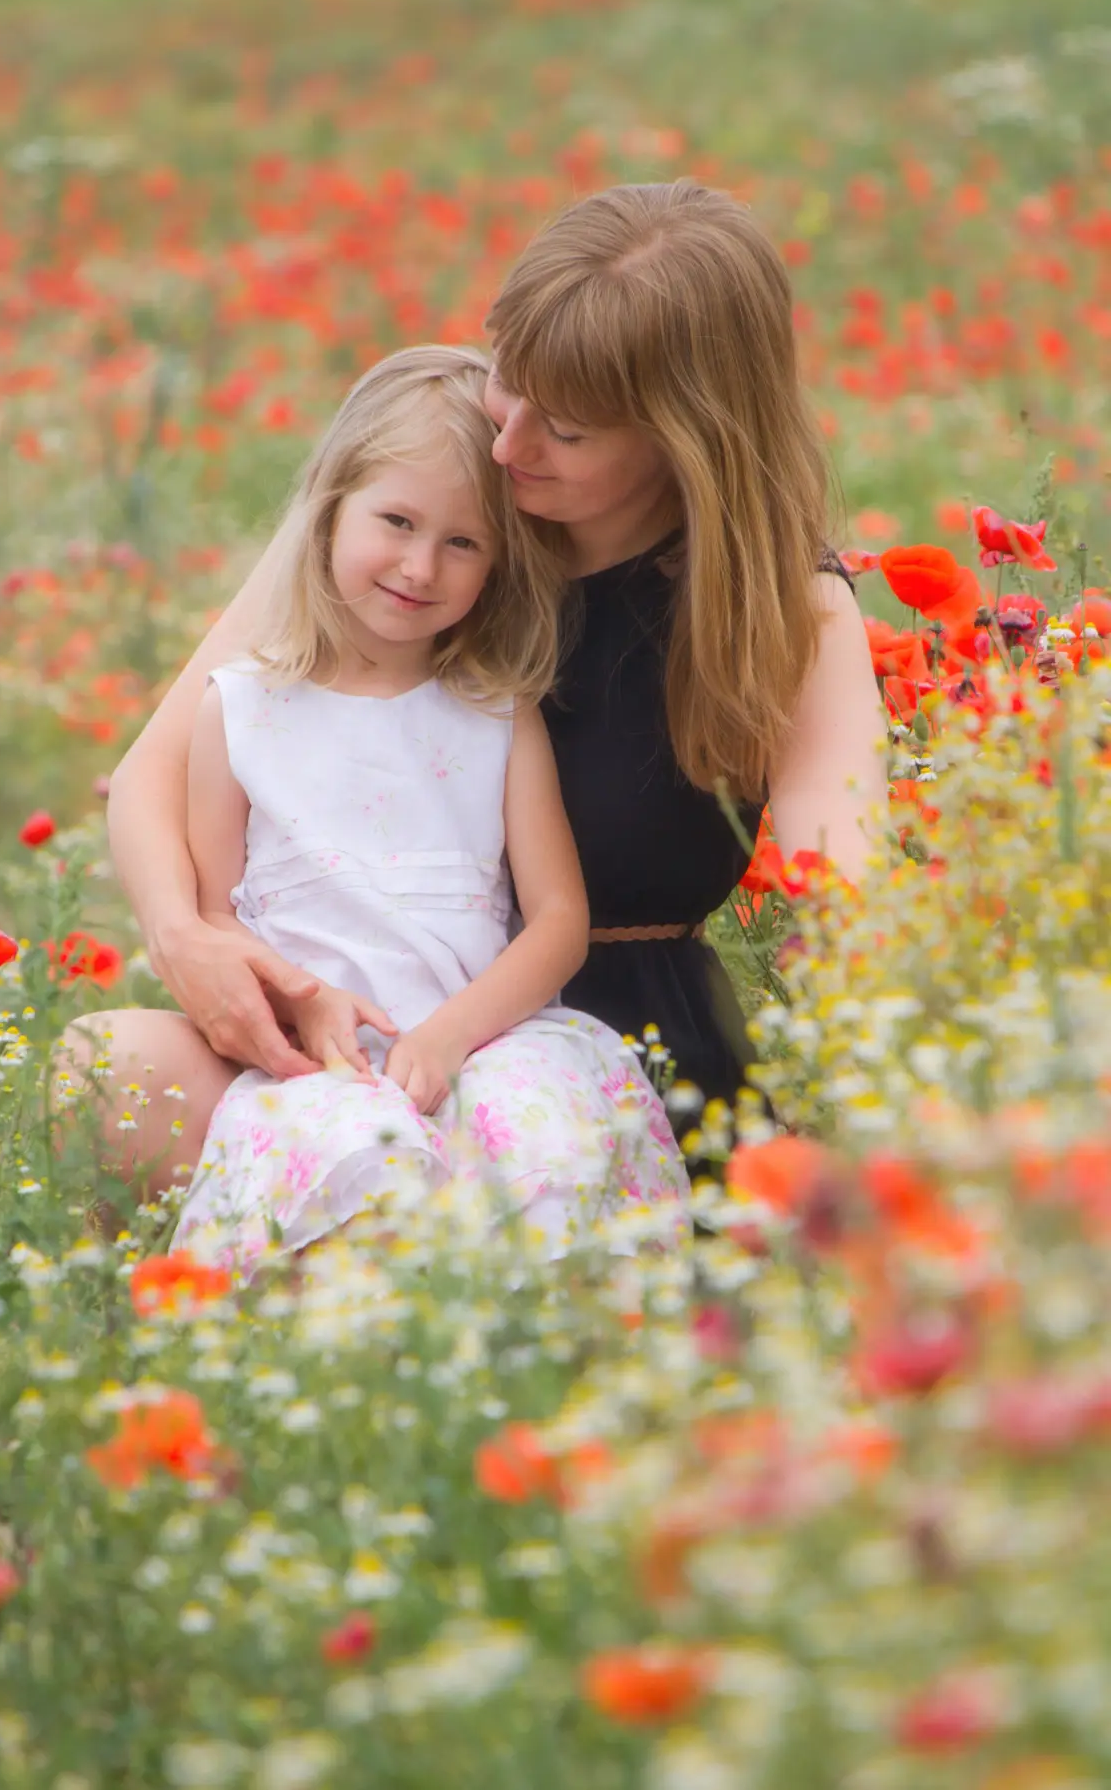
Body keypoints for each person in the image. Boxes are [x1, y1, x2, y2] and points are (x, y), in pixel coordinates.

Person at [77, 180, 886, 1197]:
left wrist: (866, 1098)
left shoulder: (780, 603)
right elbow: (157, 769)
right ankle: (201, 1329)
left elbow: (843, 883)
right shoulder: (435, 508)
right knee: (109, 1073)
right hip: (356, 1029)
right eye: (512, 380)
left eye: (571, 432)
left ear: (686, 438)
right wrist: (188, 940)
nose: (508, 445)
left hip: (607, 1049)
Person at [116, 344, 687, 1270]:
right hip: (319, 1059)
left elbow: (559, 921)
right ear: (330, 506)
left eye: (463, 543)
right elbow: (219, 915)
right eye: (397, 520)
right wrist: (300, 1012)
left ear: (499, 564)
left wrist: (448, 1037)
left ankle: (552, 1368)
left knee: (541, 1138)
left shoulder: (495, 714)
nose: (421, 566)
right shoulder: (242, 708)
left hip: (481, 1039)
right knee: (354, 1176)